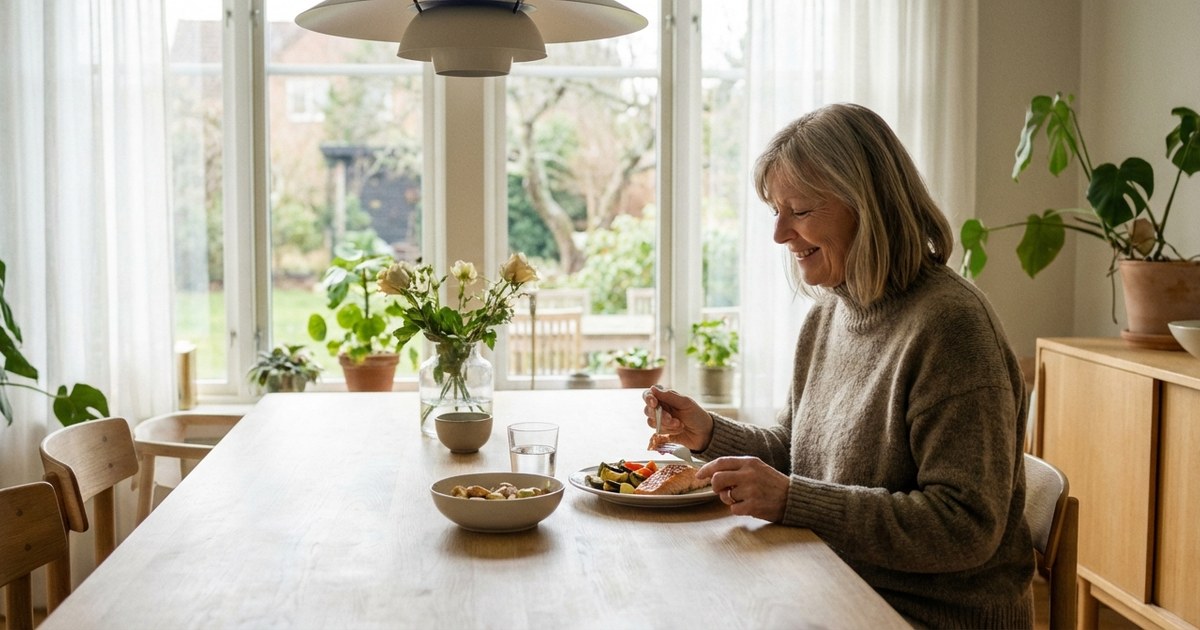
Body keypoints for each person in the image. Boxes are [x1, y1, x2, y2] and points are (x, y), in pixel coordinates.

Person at [643, 103, 1034, 628]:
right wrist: (710, 432)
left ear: (868, 206)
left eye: (799, 211)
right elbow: (797, 453)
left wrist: (793, 501)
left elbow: (963, 527)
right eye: (775, 212)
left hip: (923, 615)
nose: (780, 234)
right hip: (831, 583)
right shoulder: (830, 312)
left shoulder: (953, 328)